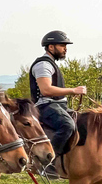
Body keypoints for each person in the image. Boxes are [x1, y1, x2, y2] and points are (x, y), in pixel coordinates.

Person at [29, 30, 86, 175]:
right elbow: (46, 90)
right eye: (62, 45)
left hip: (57, 105)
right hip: (46, 106)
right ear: (50, 47)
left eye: (65, 45)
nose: (65, 48)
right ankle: (47, 164)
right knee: (67, 125)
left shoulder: (51, 64)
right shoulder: (43, 65)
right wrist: (73, 91)